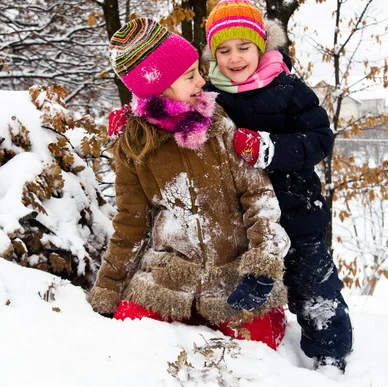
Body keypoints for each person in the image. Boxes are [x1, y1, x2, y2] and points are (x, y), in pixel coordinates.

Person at [88, 18, 291, 350]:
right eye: (189, 76)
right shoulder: (134, 145)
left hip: (231, 275)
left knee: (259, 347)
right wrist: (108, 290)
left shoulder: (219, 126)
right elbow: (130, 223)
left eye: (199, 70)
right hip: (172, 277)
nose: (202, 80)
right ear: (158, 86)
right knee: (130, 338)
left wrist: (262, 265)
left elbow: (259, 196)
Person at [204, 0, 353, 371]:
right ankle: (251, 351)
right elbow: (175, 111)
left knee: (312, 285)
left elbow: (319, 138)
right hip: (246, 219)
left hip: (296, 210)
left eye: (243, 48)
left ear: (261, 46)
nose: (234, 58)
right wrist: (138, 117)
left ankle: (330, 356)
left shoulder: (288, 87)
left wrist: (269, 147)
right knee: (246, 284)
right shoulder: (210, 95)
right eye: (223, 50)